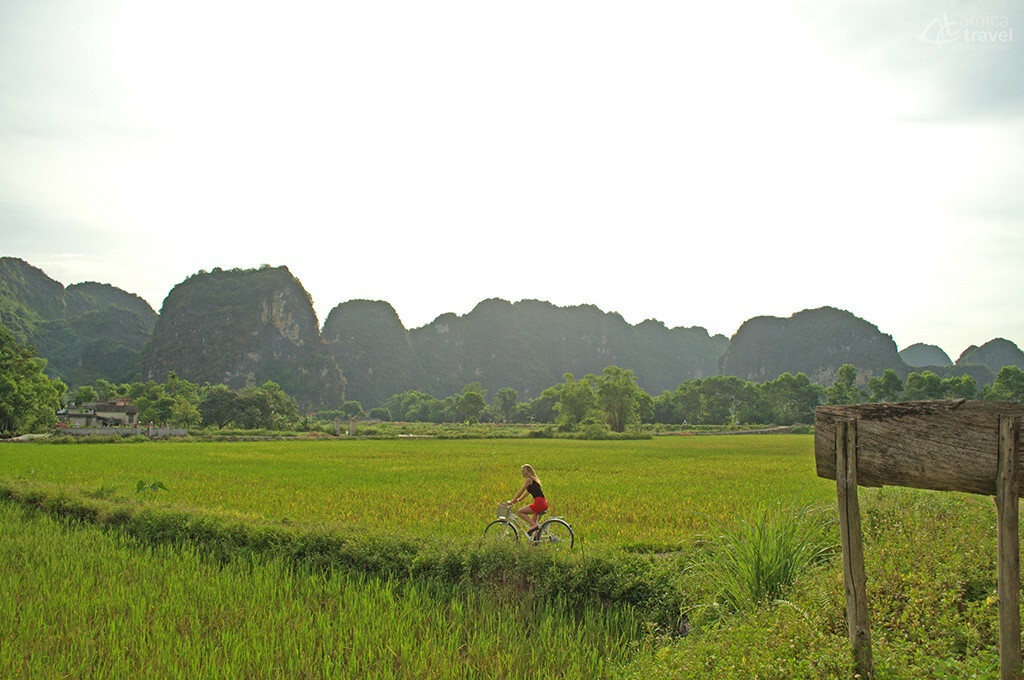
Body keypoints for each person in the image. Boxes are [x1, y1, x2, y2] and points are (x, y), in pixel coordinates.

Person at [509, 464, 547, 538]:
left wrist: (512, 501)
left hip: (539, 503)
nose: (521, 473)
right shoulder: (534, 480)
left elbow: (520, 491)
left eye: (522, 471)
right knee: (533, 526)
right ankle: (535, 541)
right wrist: (520, 499)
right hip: (543, 502)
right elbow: (528, 492)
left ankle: (534, 525)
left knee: (520, 512)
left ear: (525, 472)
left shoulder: (528, 480)